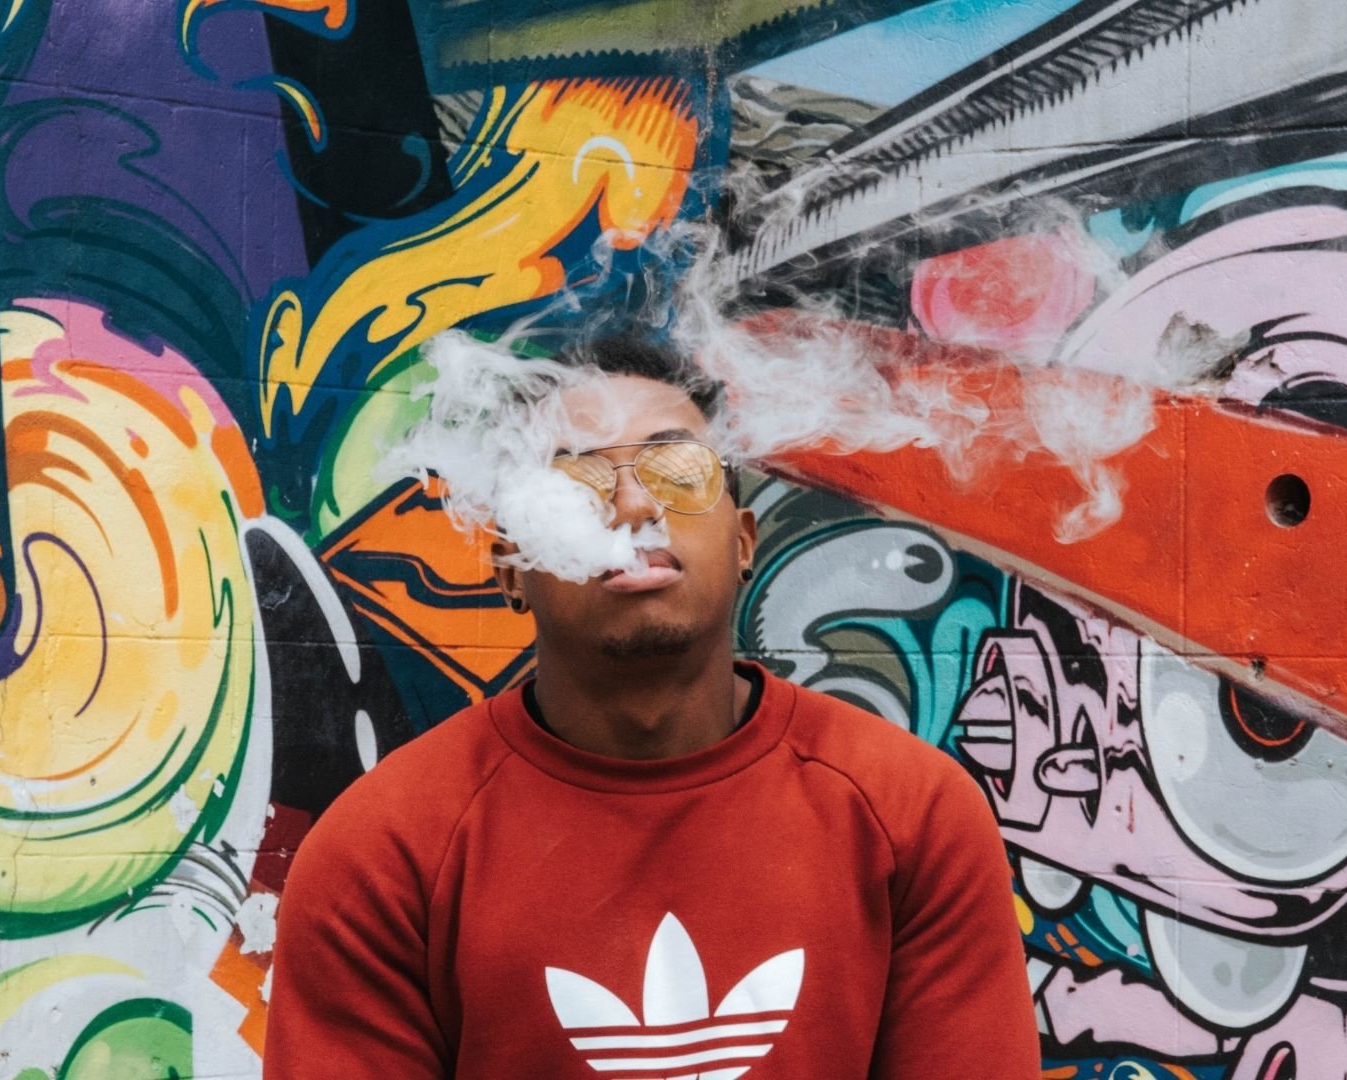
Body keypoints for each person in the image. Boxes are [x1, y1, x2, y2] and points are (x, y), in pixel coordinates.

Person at [264, 336, 1041, 1078]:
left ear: (744, 544)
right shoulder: (382, 853)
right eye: (575, 480)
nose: (635, 505)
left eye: (677, 468)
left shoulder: (914, 816)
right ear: (510, 568)